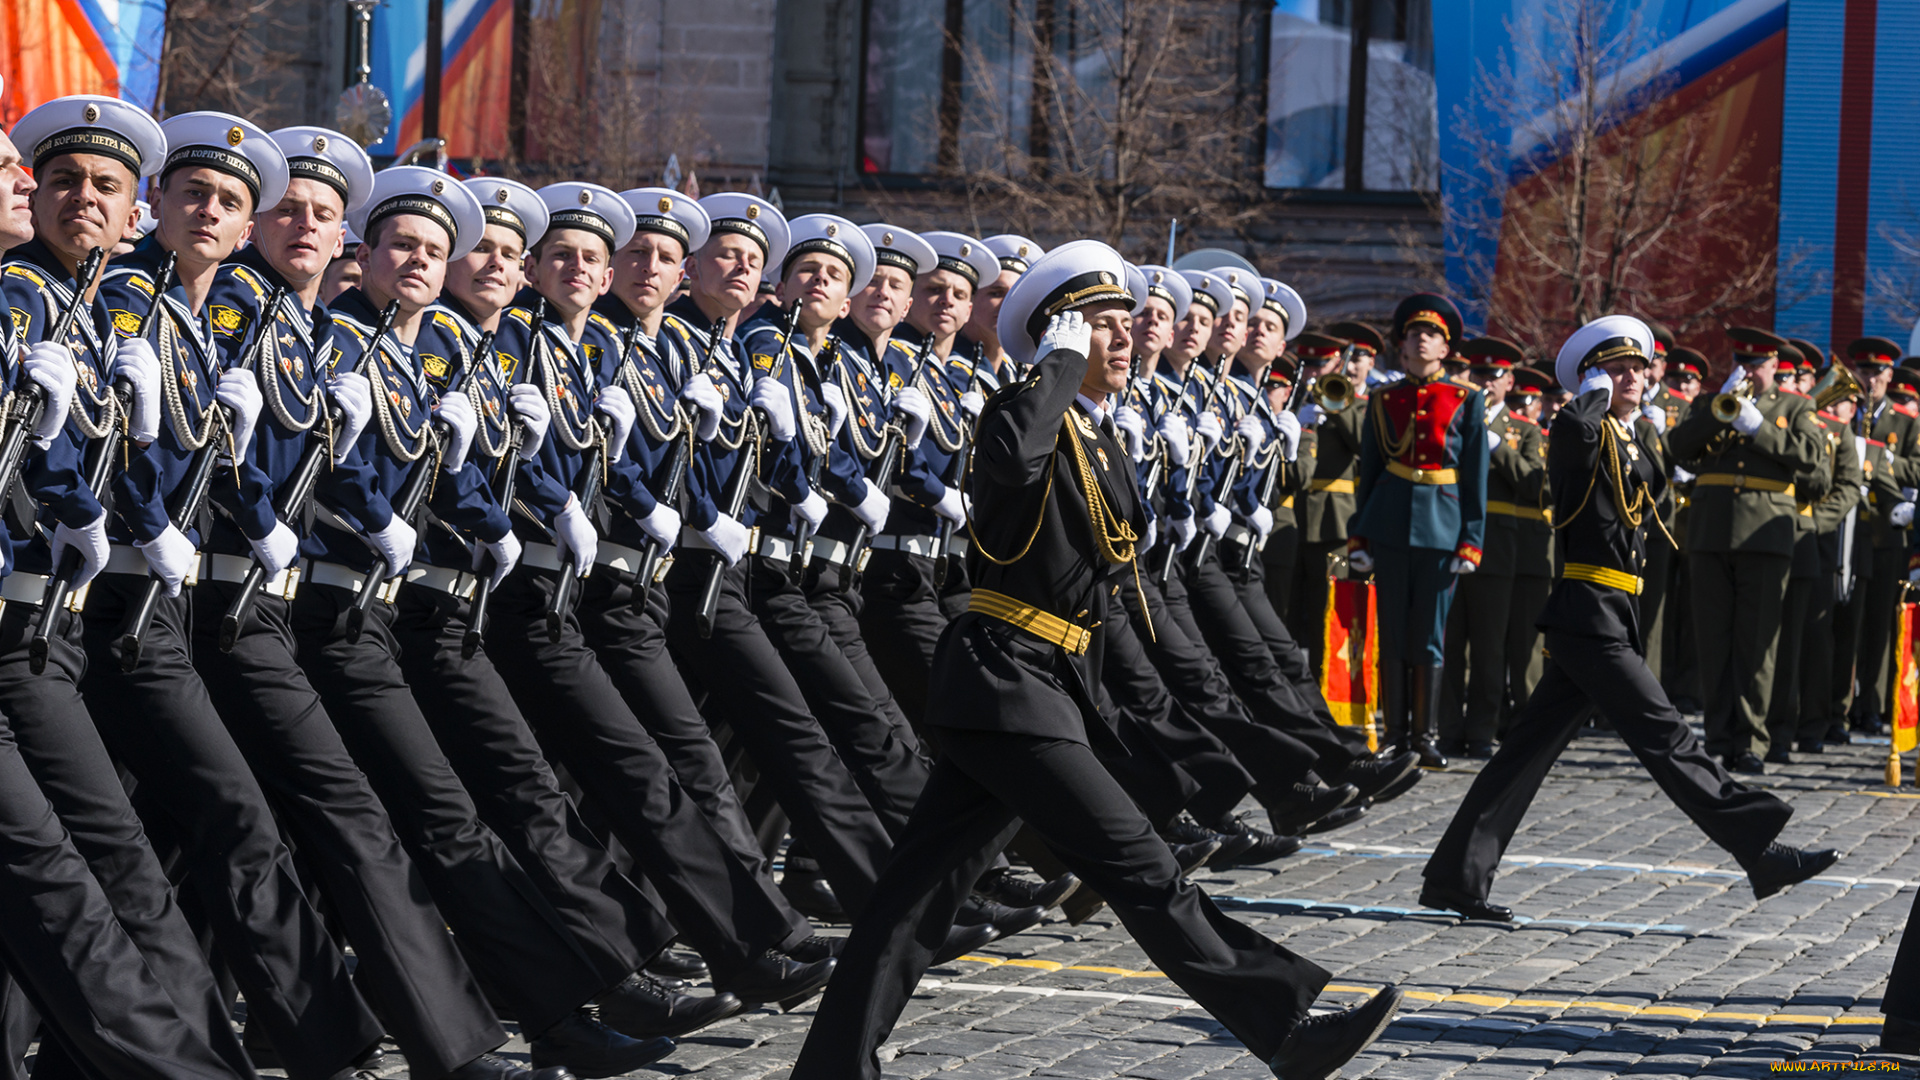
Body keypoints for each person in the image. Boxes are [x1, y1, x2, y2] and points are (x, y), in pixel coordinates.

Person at [790, 239, 1404, 1080]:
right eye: (1101, 329)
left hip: (1043, 687)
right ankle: (1287, 1027)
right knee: (1146, 868)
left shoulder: (1097, 435)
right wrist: (1051, 369)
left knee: (915, 899)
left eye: (1125, 326)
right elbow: (1009, 467)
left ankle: (831, 1067)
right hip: (1007, 683)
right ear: (1057, 342)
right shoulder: (1019, 411)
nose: (1126, 340)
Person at [0, 92, 257, 1080]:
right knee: (64, 871)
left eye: (105, 185)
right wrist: (93, 506)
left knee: (95, 860)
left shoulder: (99, 303)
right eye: (59, 179)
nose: (77, 198)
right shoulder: (22, 292)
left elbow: (105, 460)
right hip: (35, 611)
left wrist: (136, 459)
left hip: (48, 625)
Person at [1421, 315, 1838, 922]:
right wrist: (1588, 398)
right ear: (1592, 377)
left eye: (1639, 368)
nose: (1635, 377)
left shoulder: (1632, 434)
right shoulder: (1575, 428)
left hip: (1612, 614)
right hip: (1589, 613)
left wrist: (1640, 425)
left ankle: (1456, 877)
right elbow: (1577, 454)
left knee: (1523, 755)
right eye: (1618, 369)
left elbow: (1656, 486)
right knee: (1666, 735)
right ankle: (1759, 848)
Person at [1666, 327, 1826, 773]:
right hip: (1710, 531)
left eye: (1758, 365)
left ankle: (1751, 741)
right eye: (1744, 363)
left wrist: (1760, 430)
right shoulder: (1709, 404)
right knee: (1713, 638)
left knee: (1756, 644)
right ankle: (1718, 736)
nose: (1750, 372)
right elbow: (1677, 449)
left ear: (1775, 366)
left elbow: (1815, 466)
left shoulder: (1797, 407)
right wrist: (1718, 414)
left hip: (1765, 537)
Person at [1348, 293, 1489, 769]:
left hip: (1442, 529)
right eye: (1414, 333)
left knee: (1429, 634)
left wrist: (1471, 540)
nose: (1422, 339)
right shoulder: (1384, 399)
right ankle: (1394, 733)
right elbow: (1368, 471)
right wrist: (1359, 537)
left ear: (1445, 349)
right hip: (1388, 524)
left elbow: (1476, 476)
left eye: (1431, 334)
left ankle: (1425, 736)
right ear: (1403, 345)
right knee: (1391, 630)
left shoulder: (1467, 399)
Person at [1440, 338, 1544, 758]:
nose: (1485, 382)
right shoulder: (1451, 419)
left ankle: (1482, 731)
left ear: (1510, 381)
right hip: (1450, 537)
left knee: (1489, 647)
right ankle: (1446, 729)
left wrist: (1498, 446)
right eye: (1478, 374)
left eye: (1494, 375)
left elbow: (1539, 486)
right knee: (1449, 644)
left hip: (1498, 548)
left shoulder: (1527, 431)